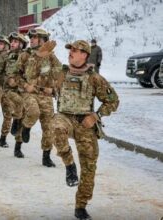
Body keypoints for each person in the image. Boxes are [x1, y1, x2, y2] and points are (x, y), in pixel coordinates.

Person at [51, 40, 119, 219]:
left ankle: (80, 206)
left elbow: (113, 101)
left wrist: (96, 116)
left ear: (84, 55)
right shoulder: (60, 73)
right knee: (56, 128)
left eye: (75, 50)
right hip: (64, 117)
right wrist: (40, 57)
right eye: (70, 50)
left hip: (85, 123)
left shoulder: (94, 78)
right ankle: (69, 165)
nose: (71, 52)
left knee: (89, 166)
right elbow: (35, 76)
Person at [16, 28, 61, 167]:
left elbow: (59, 75)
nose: (31, 39)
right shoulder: (25, 55)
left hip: (46, 96)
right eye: (31, 37)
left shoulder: (51, 57)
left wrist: (53, 88)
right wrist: (24, 86)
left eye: (35, 37)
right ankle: (25, 129)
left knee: (49, 127)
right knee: (33, 112)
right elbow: (14, 75)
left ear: (43, 40)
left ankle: (46, 156)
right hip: (30, 93)